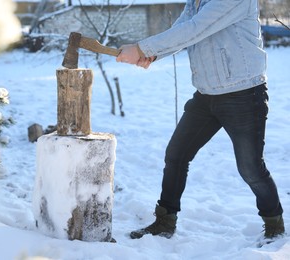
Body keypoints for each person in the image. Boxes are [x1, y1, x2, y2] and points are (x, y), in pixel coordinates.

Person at [116, 0, 285, 241]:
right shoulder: (196, 1)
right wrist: (153, 53)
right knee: (177, 154)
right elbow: (182, 28)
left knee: (250, 168)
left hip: (243, 93)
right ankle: (165, 221)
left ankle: (274, 226)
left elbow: (196, 29)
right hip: (206, 95)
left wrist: (142, 48)